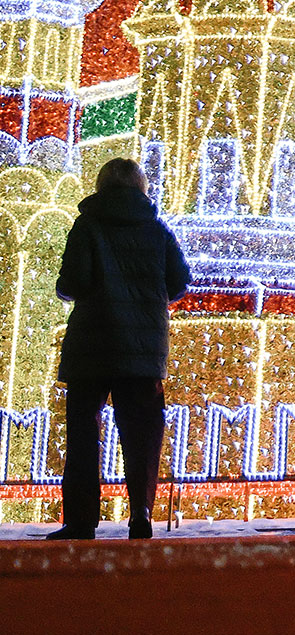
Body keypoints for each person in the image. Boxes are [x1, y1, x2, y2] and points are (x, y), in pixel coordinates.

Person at [48, 159, 189, 542]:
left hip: (91, 345)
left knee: (83, 434)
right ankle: (140, 513)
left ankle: (81, 521)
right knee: (141, 434)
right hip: (143, 350)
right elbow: (180, 282)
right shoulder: (157, 230)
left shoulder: (88, 224)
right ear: (141, 188)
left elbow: (73, 282)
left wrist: (68, 290)